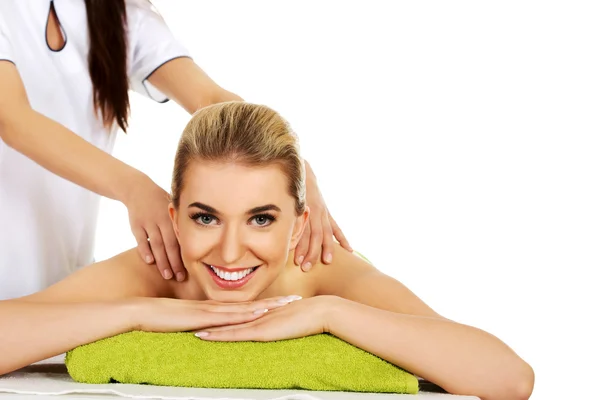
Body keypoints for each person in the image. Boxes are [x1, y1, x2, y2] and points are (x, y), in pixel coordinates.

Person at [0, 102, 534, 400]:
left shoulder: (325, 274)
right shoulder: (157, 270)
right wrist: (145, 310)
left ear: (300, 225)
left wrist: (327, 313)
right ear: (174, 219)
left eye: (261, 219)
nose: (230, 252)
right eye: (204, 217)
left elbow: (508, 379)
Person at [0, 0, 350, 300]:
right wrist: (134, 188)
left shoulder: (118, 12)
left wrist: (297, 171)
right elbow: (11, 118)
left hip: (58, 276)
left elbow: (210, 100)